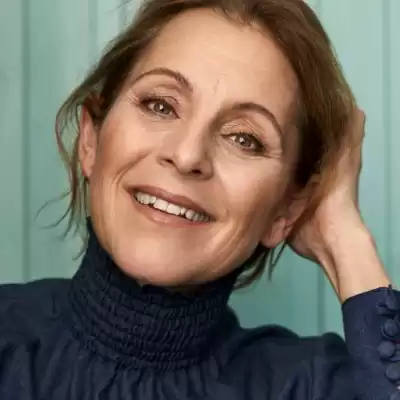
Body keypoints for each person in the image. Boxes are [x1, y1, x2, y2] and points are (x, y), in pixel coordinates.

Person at [0, 0, 399, 398]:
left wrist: (345, 240)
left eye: (244, 139)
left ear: (287, 209)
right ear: (91, 138)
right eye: (160, 106)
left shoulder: (309, 387)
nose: (187, 155)